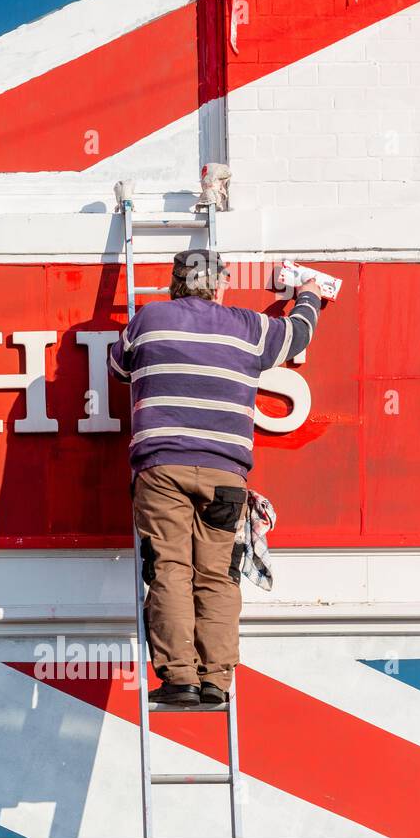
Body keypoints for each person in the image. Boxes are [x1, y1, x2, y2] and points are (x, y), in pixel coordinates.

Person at [108, 250, 329, 706]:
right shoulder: (247, 327)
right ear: (220, 285)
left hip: (161, 468)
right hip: (225, 471)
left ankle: (180, 680)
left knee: (168, 570)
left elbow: (118, 366)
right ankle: (216, 682)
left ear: (174, 283)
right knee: (218, 575)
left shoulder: (149, 319)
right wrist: (307, 294)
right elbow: (298, 334)